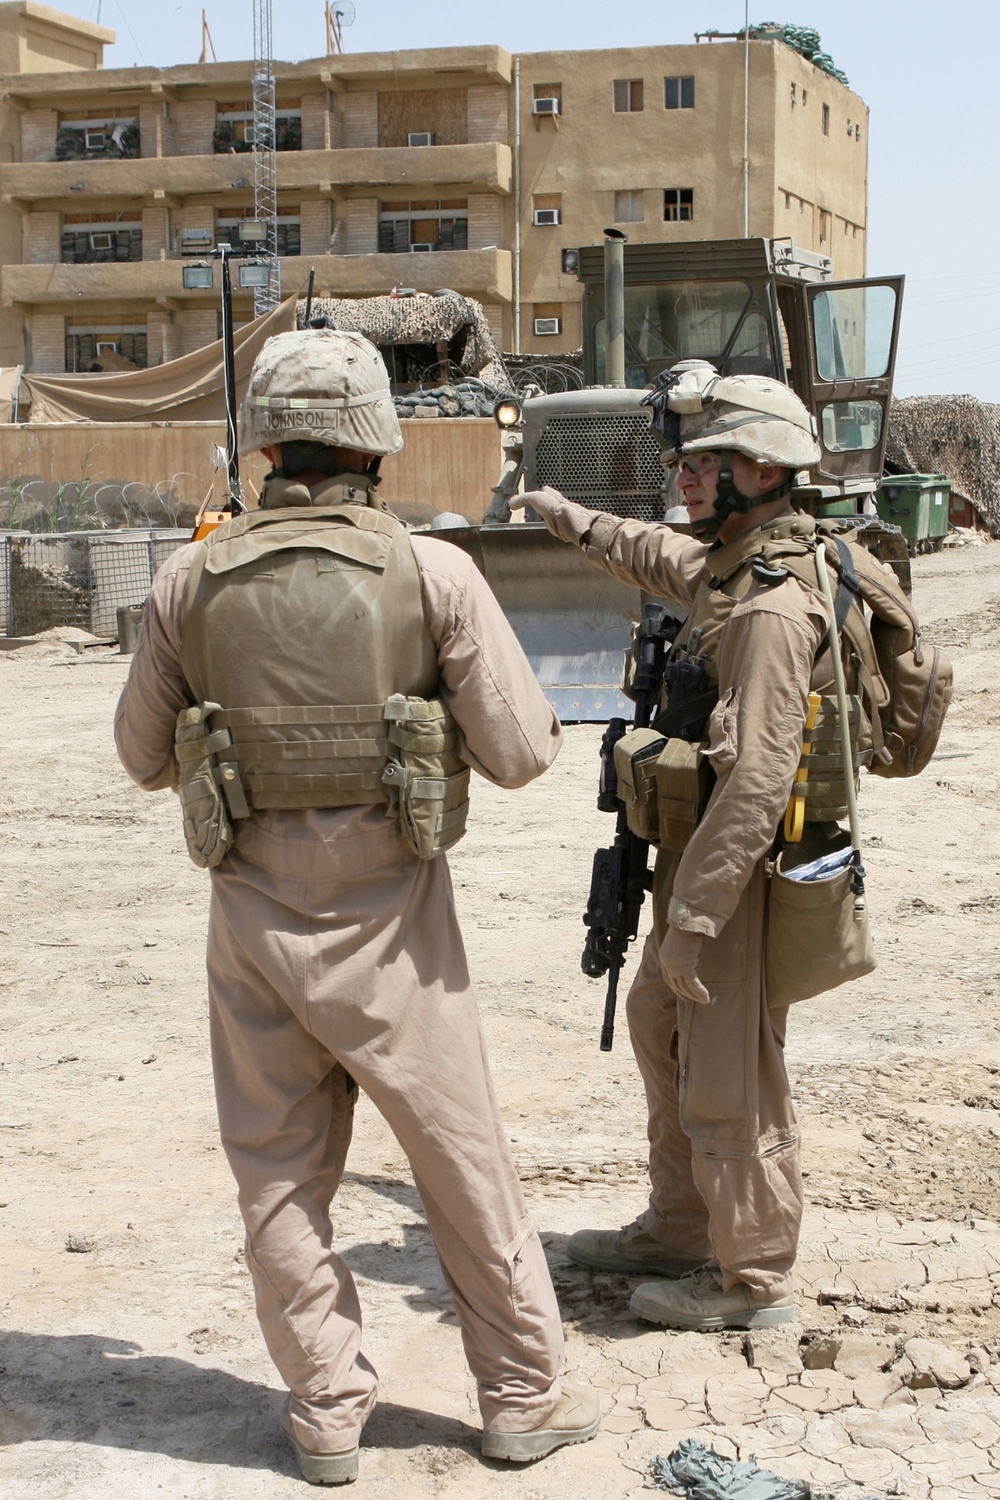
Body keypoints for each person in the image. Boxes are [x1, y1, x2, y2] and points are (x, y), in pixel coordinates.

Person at [114, 327, 600, 1485]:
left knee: (277, 1172)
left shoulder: (190, 578)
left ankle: (327, 1411)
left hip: (251, 926)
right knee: (459, 1160)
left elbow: (141, 757)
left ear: (268, 445)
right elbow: (525, 753)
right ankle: (522, 1396)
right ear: (376, 449)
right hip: (397, 926)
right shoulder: (431, 572)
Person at [514, 365, 841, 1333]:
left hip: (744, 874)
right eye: (683, 461)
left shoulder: (771, 607)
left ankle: (750, 1279)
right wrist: (564, 515)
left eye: (705, 462)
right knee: (663, 1024)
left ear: (761, 468)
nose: (685, 478)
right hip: (707, 863)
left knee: (727, 1064)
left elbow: (757, 779)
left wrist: (695, 919)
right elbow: (656, 553)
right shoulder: (732, 566)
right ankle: (677, 1225)